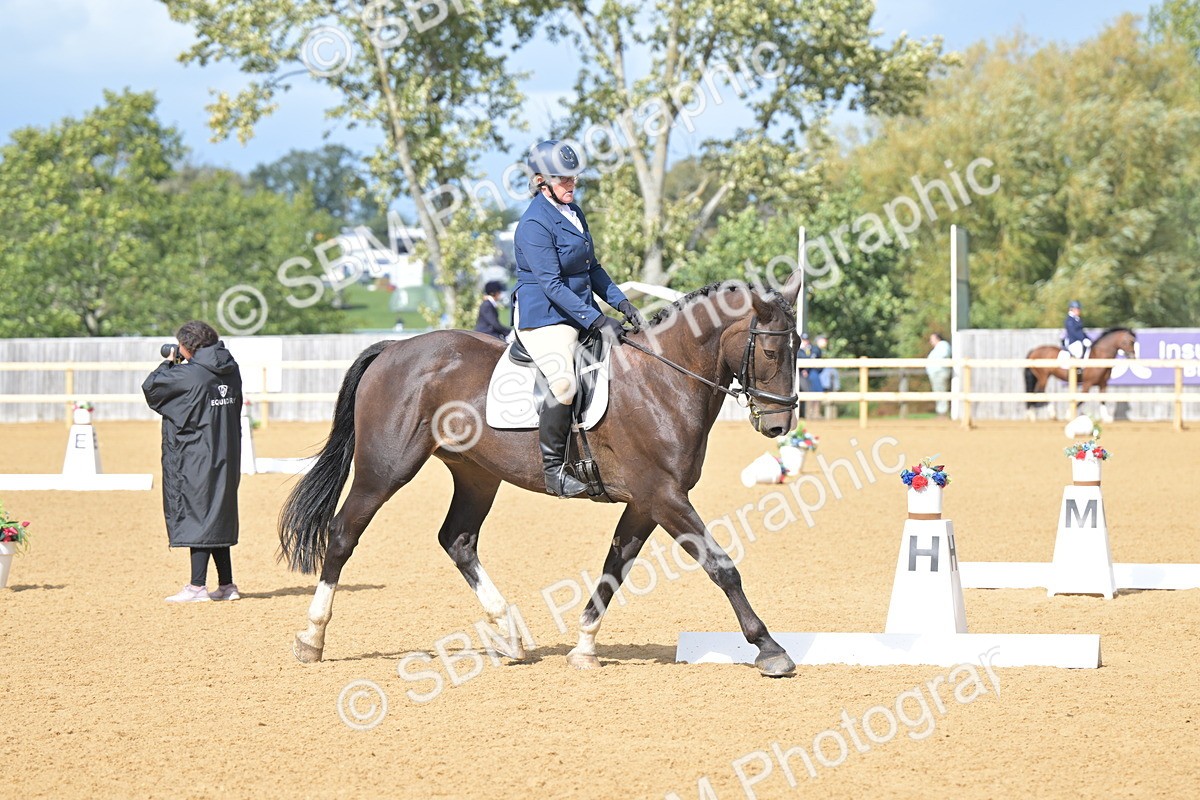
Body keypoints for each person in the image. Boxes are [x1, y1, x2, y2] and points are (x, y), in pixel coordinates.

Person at [513, 139, 645, 497]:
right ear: (541, 182)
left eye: (574, 178)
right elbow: (552, 285)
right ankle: (553, 471)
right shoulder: (534, 224)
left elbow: (593, 268)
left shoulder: (573, 212)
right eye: (563, 179)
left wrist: (622, 303)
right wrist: (598, 321)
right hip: (545, 317)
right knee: (564, 384)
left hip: (578, 310)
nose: (571, 184)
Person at [142, 321, 243, 602]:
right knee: (217, 514)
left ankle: (197, 586)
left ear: (187, 346)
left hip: (196, 454)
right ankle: (227, 585)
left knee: (198, 514)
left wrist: (168, 362)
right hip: (227, 452)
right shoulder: (231, 369)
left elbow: (152, 388)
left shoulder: (188, 375)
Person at [926, 332, 953, 416]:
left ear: (937, 338)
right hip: (936, 373)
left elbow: (944, 355)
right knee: (938, 391)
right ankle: (941, 411)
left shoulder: (943, 345)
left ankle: (942, 412)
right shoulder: (938, 348)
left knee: (941, 391)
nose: (931, 341)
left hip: (939, 372)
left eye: (932, 339)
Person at [796, 332, 821, 419]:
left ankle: (816, 412)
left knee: (816, 386)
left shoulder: (814, 349)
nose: (805, 342)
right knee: (806, 388)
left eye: (806, 340)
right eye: (803, 340)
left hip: (811, 372)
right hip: (801, 374)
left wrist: (806, 369)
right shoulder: (798, 350)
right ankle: (807, 413)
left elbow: (815, 358)